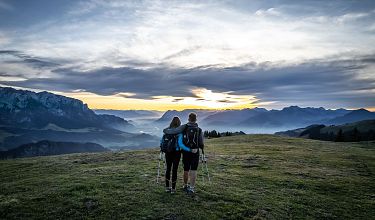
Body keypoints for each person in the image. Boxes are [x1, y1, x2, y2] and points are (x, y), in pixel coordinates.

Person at [163, 112, 204, 194]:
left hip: (186, 152)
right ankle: (191, 187)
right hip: (195, 151)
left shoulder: (184, 127)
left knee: (186, 169)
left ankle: (185, 185)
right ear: (196, 119)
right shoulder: (199, 130)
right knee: (194, 169)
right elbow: (201, 143)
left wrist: (165, 130)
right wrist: (200, 148)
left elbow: (174, 131)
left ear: (188, 119)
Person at [161, 116, 191, 194]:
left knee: (168, 169)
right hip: (176, 153)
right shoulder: (179, 133)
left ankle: (167, 187)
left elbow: (162, 141)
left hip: (168, 152)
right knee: (174, 170)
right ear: (179, 123)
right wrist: (189, 150)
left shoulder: (167, 131)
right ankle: (173, 189)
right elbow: (181, 144)